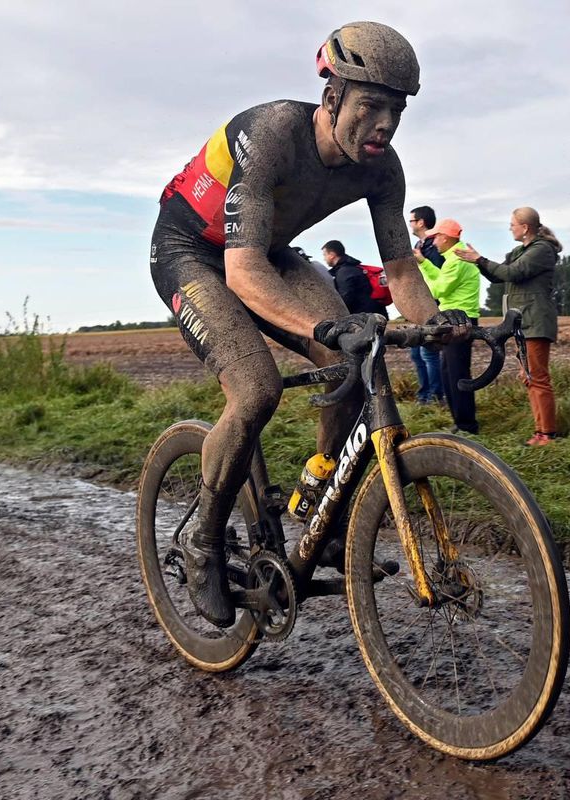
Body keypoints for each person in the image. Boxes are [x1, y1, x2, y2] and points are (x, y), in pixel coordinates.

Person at [151, 21, 463, 627]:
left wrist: (445, 325)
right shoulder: (272, 133)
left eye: (396, 111)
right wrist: (325, 328)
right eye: (371, 106)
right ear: (331, 98)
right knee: (257, 389)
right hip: (193, 251)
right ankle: (202, 542)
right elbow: (240, 276)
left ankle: (319, 490)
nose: (385, 125)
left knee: (354, 363)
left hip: (267, 250)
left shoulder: (381, 168)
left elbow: (401, 271)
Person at [457, 207, 561, 446]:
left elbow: (514, 272)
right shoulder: (520, 250)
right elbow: (498, 276)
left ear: (525, 227)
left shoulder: (541, 250)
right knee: (529, 376)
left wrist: (480, 260)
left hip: (535, 321)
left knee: (537, 377)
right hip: (524, 322)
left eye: (513, 224)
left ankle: (547, 434)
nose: (510, 228)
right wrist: (478, 262)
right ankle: (540, 431)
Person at [418, 218, 482, 434]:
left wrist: (422, 273)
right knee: (449, 372)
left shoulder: (457, 259)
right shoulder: (454, 256)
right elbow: (442, 281)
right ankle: (460, 421)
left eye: (436, 237)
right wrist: (424, 264)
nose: (433, 242)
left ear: (445, 238)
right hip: (454, 318)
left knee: (457, 372)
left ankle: (467, 425)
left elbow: (438, 291)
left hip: (459, 320)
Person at [407, 205, 444, 403]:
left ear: (421, 222)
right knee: (417, 354)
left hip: (431, 305)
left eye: (411, 220)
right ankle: (424, 395)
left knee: (428, 354)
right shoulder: (420, 246)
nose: (410, 224)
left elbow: (437, 275)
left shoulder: (433, 247)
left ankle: (436, 396)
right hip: (418, 305)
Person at [321, 240, 388, 315]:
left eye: (325, 255)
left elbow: (346, 298)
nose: (324, 258)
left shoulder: (344, 272)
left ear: (332, 255)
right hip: (376, 312)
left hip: (365, 317)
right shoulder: (353, 267)